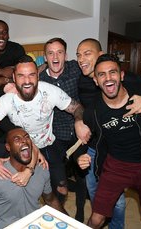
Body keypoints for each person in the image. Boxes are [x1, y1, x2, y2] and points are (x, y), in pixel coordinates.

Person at [75, 38, 141, 228]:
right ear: (95, 80)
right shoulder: (93, 111)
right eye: (102, 75)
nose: (108, 78)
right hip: (116, 166)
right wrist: (80, 155)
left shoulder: (138, 93)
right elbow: (85, 142)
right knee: (96, 219)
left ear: (121, 75)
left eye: (113, 73)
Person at [0, 55, 90, 200]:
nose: (27, 81)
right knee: (22, 192)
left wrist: (79, 122)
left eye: (31, 75)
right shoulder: (6, 101)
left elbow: (77, 107)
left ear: (38, 76)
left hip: (48, 145)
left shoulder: (50, 92)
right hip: (21, 148)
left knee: (62, 190)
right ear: (14, 78)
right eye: (21, 76)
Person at [0, 127, 66, 229]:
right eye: (17, 139)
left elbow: (51, 200)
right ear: (8, 147)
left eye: (27, 137)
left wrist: (71, 222)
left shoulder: (42, 171)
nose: (24, 140)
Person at [39, 37, 86, 220]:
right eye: (50, 53)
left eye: (59, 52)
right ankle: (57, 218)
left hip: (80, 133)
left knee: (82, 174)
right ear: (45, 57)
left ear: (66, 55)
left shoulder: (76, 69)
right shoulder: (39, 79)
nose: (55, 56)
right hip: (55, 137)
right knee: (60, 186)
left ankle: (80, 214)